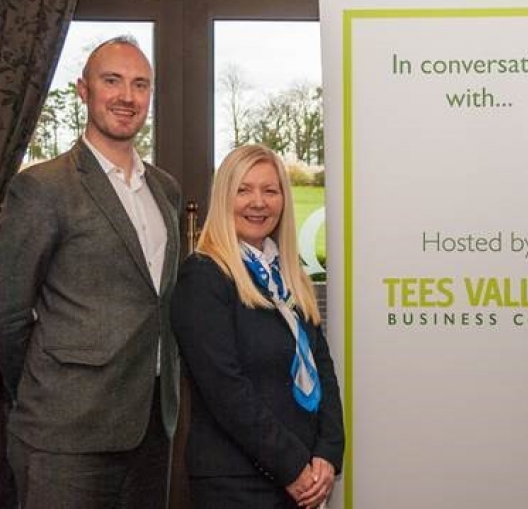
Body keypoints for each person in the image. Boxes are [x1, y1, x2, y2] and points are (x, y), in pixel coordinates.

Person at [0, 35, 182, 508]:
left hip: (150, 430)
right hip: (64, 434)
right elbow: (8, 315)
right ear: (83, 90)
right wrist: (49, 390)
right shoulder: (41, 188)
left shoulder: (165, 190)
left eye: (140, 85)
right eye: (112, 81)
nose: (127, 96)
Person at [171, 144, 344, 509]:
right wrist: (293, 467)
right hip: (236, 484)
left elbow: (322, 368)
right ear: (223, 198)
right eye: (244, 190)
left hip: (304, 478)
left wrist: (327, 452)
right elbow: (226, 390)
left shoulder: (289, 274)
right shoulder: (204, 276)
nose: (258, 202)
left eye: (270, 190)